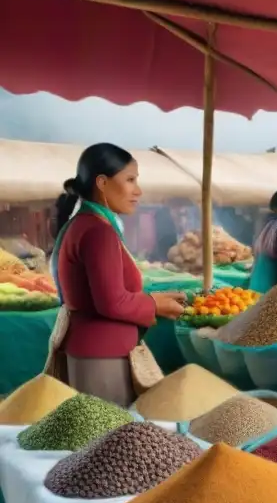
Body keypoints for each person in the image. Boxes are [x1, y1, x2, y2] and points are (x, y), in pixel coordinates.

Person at [45, 143, 185, 407]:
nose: (138, 190)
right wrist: (155, 304)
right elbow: (111, 302)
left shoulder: (84, 223)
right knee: (107, 440)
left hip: (91, 352)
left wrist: (154, 299)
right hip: (102, 357)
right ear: (102, 183)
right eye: (130, 180)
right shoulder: (99, 232)